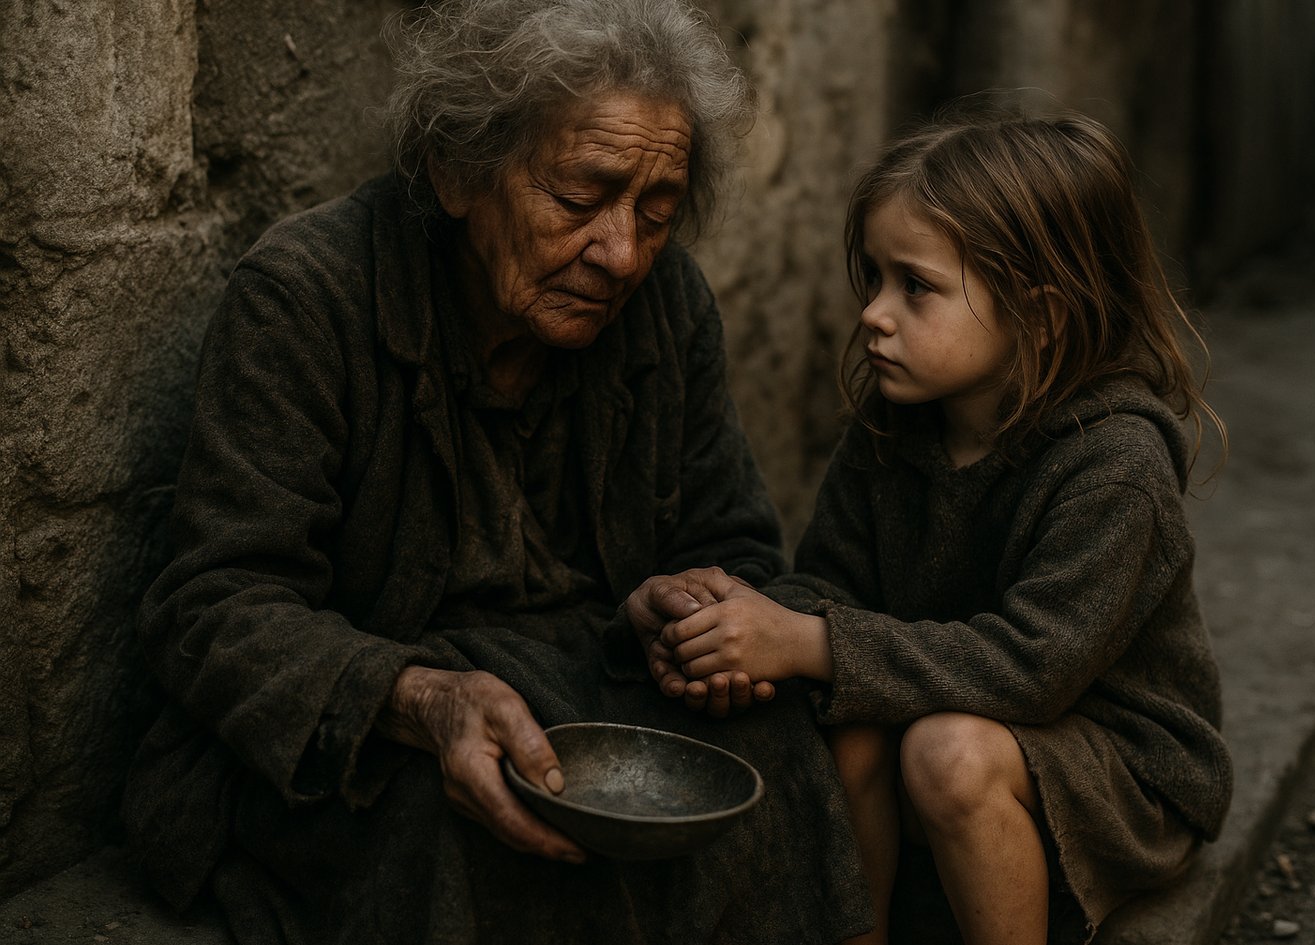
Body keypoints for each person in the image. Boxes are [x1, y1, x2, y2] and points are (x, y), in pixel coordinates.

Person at [122, 1, 871, 942]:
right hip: (368, 727)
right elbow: (214, 604)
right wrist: (419, 699)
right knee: (474, 824)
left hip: (587, 683)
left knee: (777, 750)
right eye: (579, 198)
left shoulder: (665, 301)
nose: (621, 252)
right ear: (458, 172)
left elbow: (735, 546)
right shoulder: (306, 299)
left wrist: (686, 609)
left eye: (656, 211)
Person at [655, 104, 1235, 945]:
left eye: (915, 287)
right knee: (848, 723)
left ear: (1040, 314)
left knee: (945, 752)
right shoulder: (896, 424)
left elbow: (1034, 666)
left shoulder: (1114, 464)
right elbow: (832, 587)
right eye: (877, 277)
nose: (874, 315)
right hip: (960, 725)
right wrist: (740, 622)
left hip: (1127, 774)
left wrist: (808, 641)